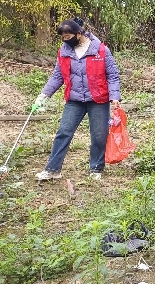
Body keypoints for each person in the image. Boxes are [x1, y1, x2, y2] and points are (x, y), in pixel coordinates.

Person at [34, 18, 122, 182]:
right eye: (63, 38)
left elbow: (113, 76)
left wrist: (114, 96)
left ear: (79, 34)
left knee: (98, 135)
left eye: (68, 37)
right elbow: (57, 76)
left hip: (98, 99)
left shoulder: (101, 50)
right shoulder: (64, 52)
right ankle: (53, 169)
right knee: (63, 132)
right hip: (74, 99)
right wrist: (43, 95)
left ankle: (96, 168)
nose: (66, 40)